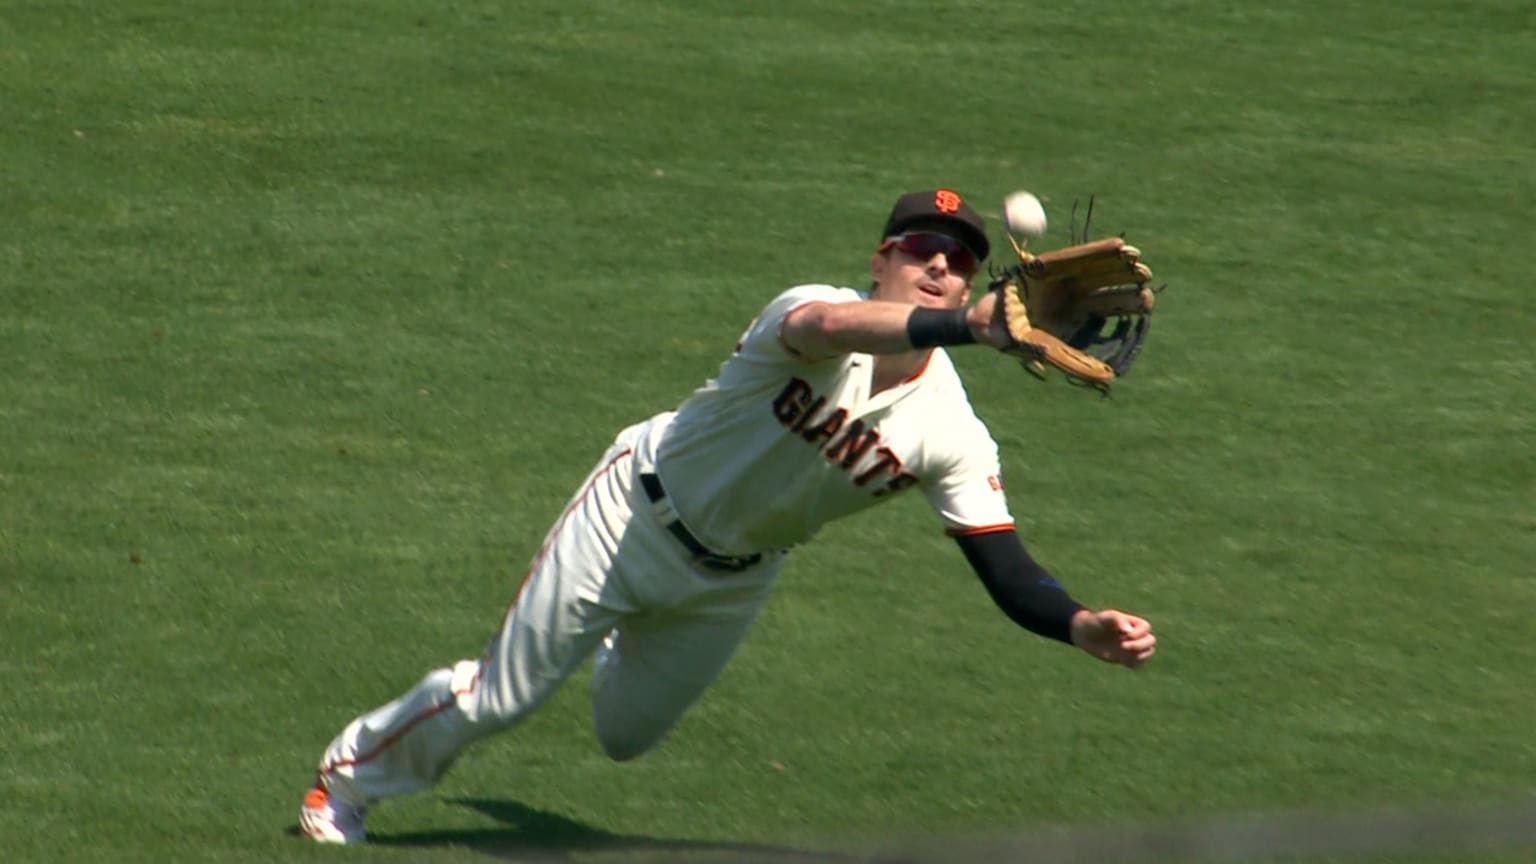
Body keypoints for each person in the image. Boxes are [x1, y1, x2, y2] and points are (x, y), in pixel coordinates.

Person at [298, 188, 1158, 844]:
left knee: (623, 737)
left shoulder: (953, 434)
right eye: (924, 250)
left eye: (962, 260)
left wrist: (1077, 622)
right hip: (630, 515)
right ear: (882, 259)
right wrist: (965, 325)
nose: (943, 266)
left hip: (732, 583)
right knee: (502, 697)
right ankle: (349, 777)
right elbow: (833, 324)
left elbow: (1003, 564)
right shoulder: (811, 310)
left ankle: (604, 635)